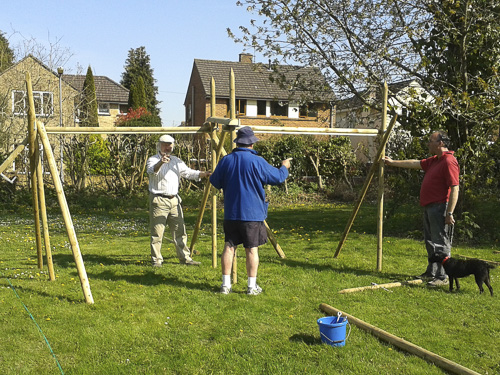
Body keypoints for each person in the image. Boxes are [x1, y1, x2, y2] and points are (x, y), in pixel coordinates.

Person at [210, 126, 291, 295]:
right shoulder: (257, 161)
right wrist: (285, 167)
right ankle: (251, 286)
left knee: (229, 247)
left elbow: (215, 182)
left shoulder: (226, 160)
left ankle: (225, 285)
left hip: (231, 212)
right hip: (252, 213)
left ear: (238, 143)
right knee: (252, 249)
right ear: (252, 144)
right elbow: (277, 177)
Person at [384, 130, 460, 286]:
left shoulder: (448, 161)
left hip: (440, 207)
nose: (428, 144)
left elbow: (455, 188)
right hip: (429, 207)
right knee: (430, 241)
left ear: (441, 143)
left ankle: (442, 276)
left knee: (440, 242)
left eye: (431, 141)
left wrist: (449, 212)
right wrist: (392, 162)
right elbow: (415, 163)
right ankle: (432, 272)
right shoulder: (435, 160)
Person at [147, 134, 210, 267]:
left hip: (174, 200)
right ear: (159, 145)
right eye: (165, 144)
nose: (168, 147)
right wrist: (161, 163)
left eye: (170, 144)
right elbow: (152, 171)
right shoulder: (153, 159)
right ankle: (157, 260)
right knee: (157, 233)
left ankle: (185, 258)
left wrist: (203, 174)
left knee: (180, 231)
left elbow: (188, 173)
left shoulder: (176, 161)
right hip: (159, 200)